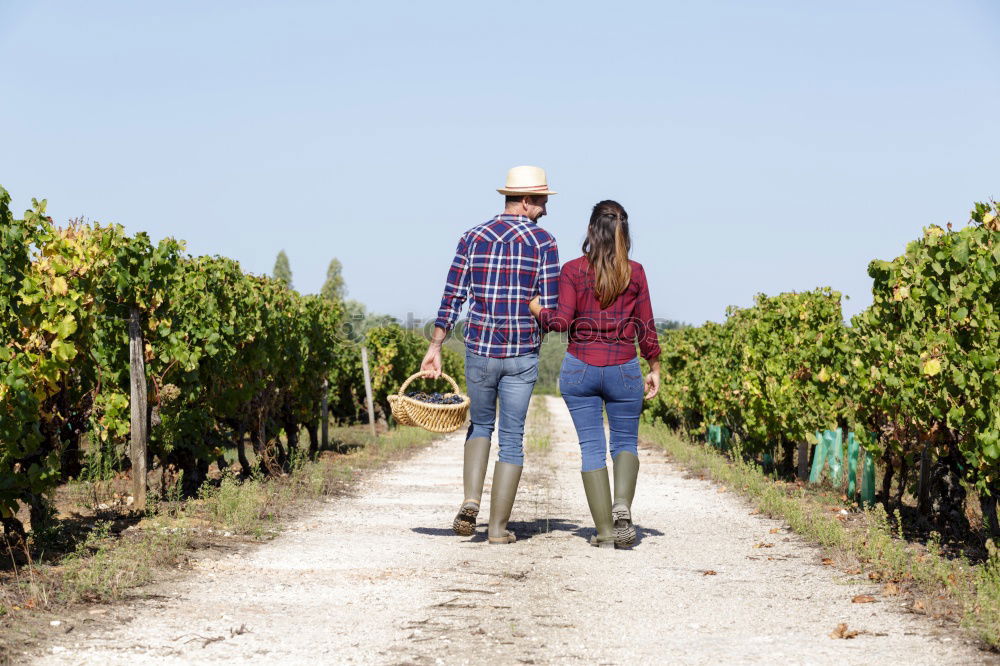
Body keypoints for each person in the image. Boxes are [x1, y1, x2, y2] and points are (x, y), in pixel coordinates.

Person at [420, 166, 559, 545]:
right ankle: (497, 529)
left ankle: (470, 499)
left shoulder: (472, 237)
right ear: (527, 201)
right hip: (521, 353)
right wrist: (539, 329)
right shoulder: (545, 243)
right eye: (543, 201)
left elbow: (452, 296)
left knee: (481, 425)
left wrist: (435, 347)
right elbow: (550, 306)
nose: (545, 209)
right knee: (512, 437)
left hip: (479, 349)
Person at [529, 199, 660, 548]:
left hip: (580, 369)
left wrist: (538, 308)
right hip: (624, 369)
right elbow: (646, 327)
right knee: (625, 442)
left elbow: (560, 322)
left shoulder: (572, 270)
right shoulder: (637, 273)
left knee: (592, 447)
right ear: (624, 234)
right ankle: (622, 505)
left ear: (590, 231)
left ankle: (603, 532)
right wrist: (655, 366)